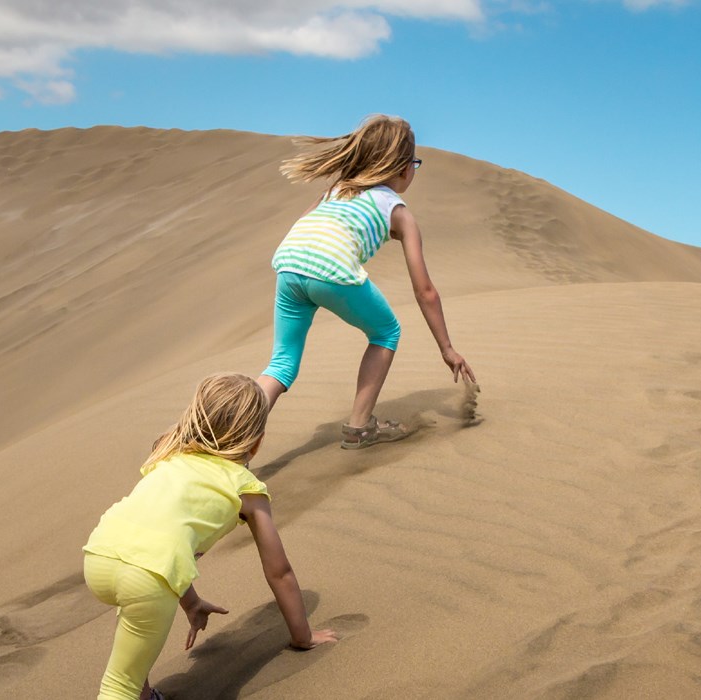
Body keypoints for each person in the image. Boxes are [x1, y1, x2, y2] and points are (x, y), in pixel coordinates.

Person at [82, 373, 338, 700]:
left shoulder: (168, 454)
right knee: (118, 688)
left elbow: (160, 538)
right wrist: (304, 636)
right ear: (256, 442)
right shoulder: (246, 487)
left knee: (134, 632)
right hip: (145, 576)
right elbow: (279, 571)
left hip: (100, 555)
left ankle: (144, 694)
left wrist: (191, 602)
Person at [258, 114, 478, 449]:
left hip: (289, 263)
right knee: (386, 332)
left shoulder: (333, 191)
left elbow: (306, 227)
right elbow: (425, 291)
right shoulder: (399, 212)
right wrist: (446, 349)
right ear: (403, 167)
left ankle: (235, 438)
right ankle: (359, 427)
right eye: (414, 163)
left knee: (282, 362)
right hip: (331, 269)